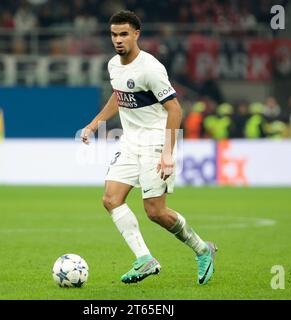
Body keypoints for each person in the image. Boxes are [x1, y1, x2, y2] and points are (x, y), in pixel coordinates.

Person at [80, 11, 217, 285]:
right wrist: (94, 124)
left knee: (155, 212)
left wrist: (167, 154)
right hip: (130, 141)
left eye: (123, 34)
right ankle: (145, 259)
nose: (118, 40)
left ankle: (203, 249)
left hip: (156, 141)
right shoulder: (113, 66)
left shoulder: (150, 69)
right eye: (114, 34)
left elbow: (175, 109)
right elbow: (118, 97)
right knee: (110, 199)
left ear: (136, 35)